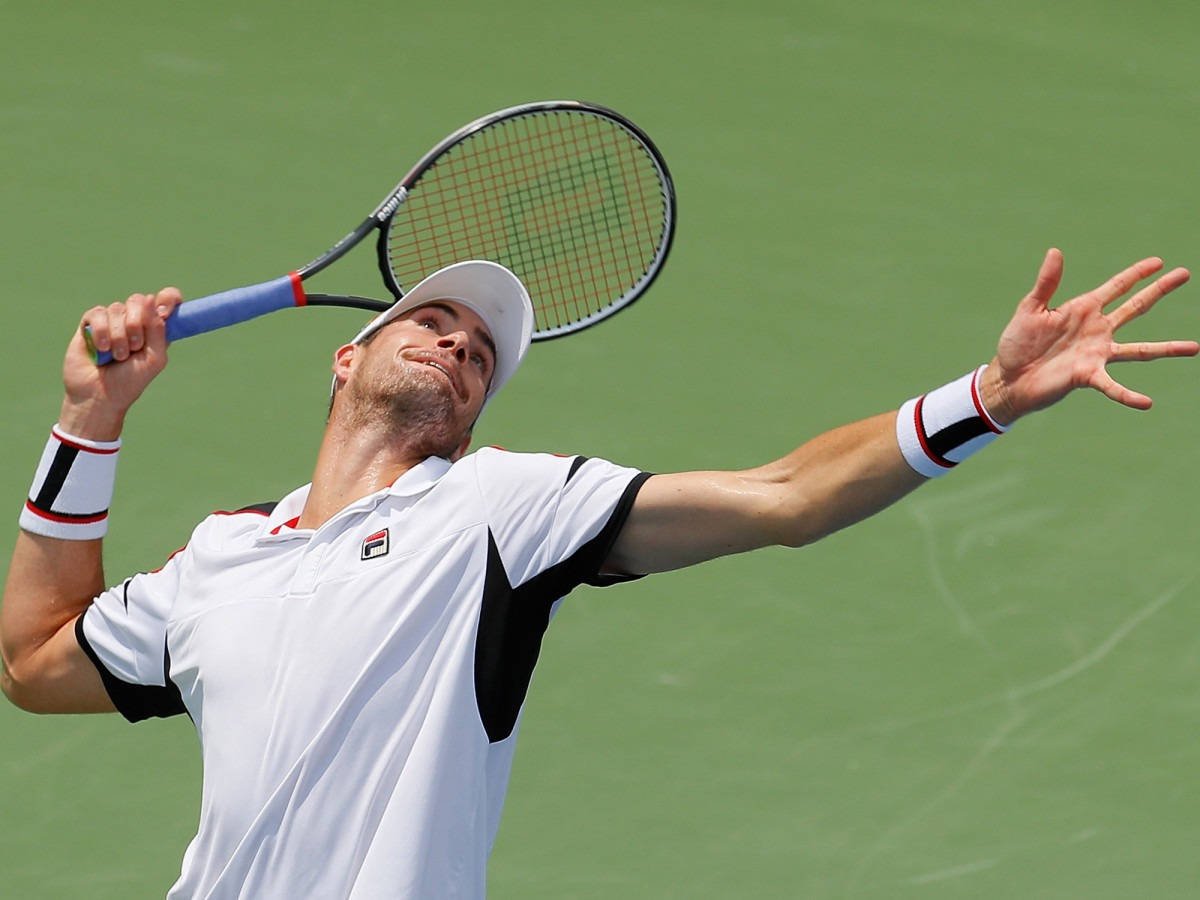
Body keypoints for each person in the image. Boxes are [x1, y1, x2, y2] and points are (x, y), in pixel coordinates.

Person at [1, 250, 1195, 897]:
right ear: (348, 354)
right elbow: (36, 659)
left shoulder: (494, 509)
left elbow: (787, 497)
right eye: (434, 320)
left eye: (483, 353)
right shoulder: (220, 557)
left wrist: (984, 399)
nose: (463, 342)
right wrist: (89, 421)